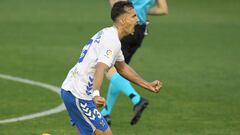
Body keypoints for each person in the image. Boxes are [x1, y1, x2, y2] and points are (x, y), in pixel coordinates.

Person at [60, 1, 162, 135]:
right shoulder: (112, 41)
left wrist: (147, 85)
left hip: (72, 90)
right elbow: (100, 67)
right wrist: (96, 95)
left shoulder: (110, 35)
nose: (138, 20)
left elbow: (122, 67)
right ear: (122, 20)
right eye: (133, 16)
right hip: (79, 94)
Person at [101, 0, 168, 125]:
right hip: (141, 29)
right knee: (119, 71)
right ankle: (106, 113)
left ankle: (137, 99)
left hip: (126, 27)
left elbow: (116, 6)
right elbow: (163, 10)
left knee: (111, 71)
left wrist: (131, 10)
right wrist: (141, 10)